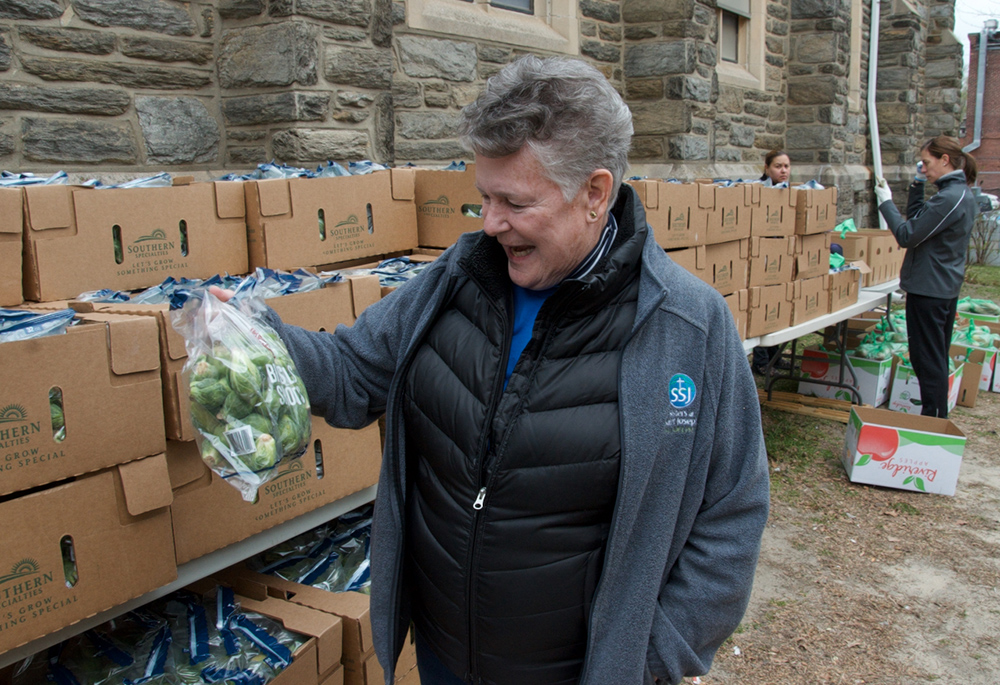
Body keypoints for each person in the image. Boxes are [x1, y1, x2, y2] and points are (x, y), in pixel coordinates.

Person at [219, 56, 769, 685]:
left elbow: (732, 508)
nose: (490, 222)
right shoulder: (457, 278)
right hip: (446, 656)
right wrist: (254, 335)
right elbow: (353, 371)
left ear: (594, 193)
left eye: (514, 202)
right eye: (484, 196)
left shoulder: (686, 327)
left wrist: (652, 660)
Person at [874, 135, 979, 418]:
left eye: (927, 162)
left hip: (930, 290)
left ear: (945, 160)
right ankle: (935, 416)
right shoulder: (956, 193)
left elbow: (909, 235)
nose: (924, 167)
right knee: (933, 356)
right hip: (939, 286)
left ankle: (934, 420)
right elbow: (921, 219)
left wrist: (885, 204)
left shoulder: (950, 197)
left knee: (927, 359)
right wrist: (917, 184)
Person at [751, 149, 793, 375]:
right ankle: (761, 361)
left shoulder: (788, 193)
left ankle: (775, 356)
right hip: (763, 258)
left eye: (786, 166)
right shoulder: (758, 192)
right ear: (767, 168)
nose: (783, 170)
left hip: (781, 256)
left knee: (777, 307)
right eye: (778, 166)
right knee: (762, 309)